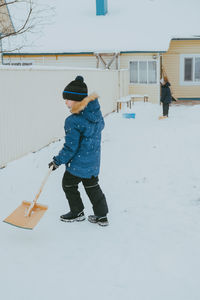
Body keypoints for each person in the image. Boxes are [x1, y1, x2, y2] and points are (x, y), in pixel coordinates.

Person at [49, 75, 109, 226]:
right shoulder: (96, 116)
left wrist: (57, 161)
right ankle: (102, 216)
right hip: (93, 161)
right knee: (92, 186)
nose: (66, 102)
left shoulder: (73, 121)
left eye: (68, 99)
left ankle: (77, 212)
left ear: (76, 100)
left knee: (68, 184)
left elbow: (70, 148)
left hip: (78, 164)